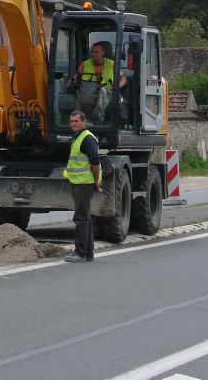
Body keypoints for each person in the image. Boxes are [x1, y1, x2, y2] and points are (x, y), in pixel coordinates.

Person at [63, 110, 101, 263]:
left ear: (84, 121)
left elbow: (95, 161)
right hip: (79, 182)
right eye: (71, 121)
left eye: (76, 121)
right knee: (86, 218)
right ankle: (88, 253)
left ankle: (80, 252)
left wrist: (96, 180)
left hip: (84, 183)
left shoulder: (87, 139)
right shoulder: (79, 138)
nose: (73, 123)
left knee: (81, 218)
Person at [75, 41, 126, 121]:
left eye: (97, 52)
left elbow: (123, 79)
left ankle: (97, 116)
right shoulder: (85, 64)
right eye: (92, 52)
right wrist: (75, 80)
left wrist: (116, 86)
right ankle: (78, 117)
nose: (94, 54)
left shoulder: (112, 64)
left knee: (101, 90)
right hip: (88, 90)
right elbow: (77, 77)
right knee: (78, 92)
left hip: (107, 89)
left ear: (103, 52)